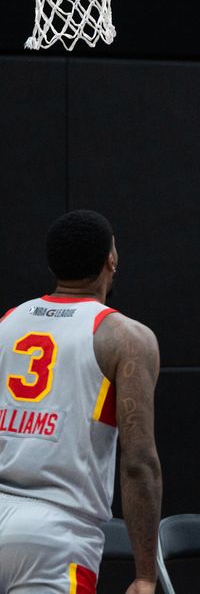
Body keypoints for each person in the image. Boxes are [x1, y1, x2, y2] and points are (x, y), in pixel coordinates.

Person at [0, 209, 162, 594]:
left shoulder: (7, 322)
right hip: (56, 534)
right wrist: (144, 575)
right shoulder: (126, 337)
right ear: (111, 260)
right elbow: (139, 463)